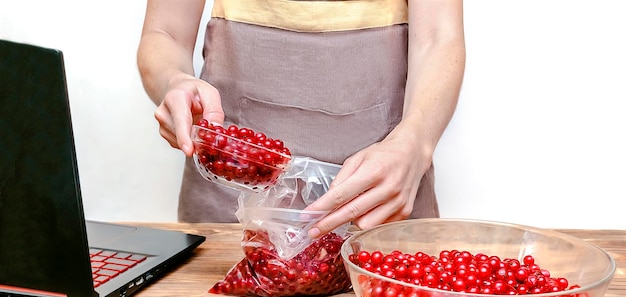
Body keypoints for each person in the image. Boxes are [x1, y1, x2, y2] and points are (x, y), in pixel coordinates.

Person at [137, 0, 466, 239]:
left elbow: (439, 37)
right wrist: (174, 81)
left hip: (381, 198)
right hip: (229, 207)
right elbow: (165, 33)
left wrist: (415, 141)